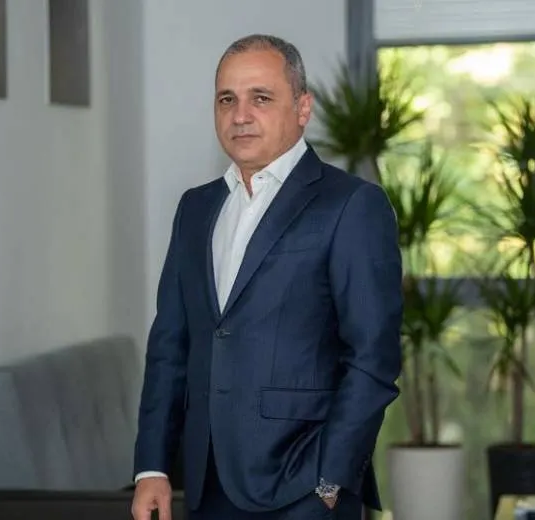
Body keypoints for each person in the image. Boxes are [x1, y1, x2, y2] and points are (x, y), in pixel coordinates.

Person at [131, 33, 402, 520]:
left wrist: (330, 480)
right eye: (226, 99)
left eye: (260, 98)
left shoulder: (351, 205)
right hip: (207, 485)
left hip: (304, 488)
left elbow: (372, 358)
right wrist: (152, 467)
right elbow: (170, 347)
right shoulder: (195, 209)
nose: (240, 115)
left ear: (302, 108)